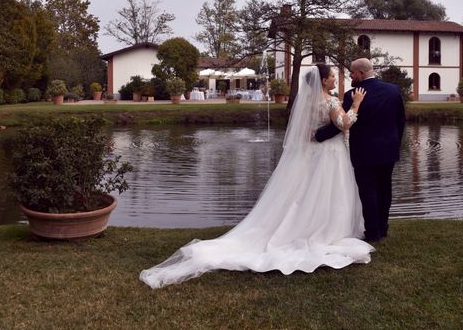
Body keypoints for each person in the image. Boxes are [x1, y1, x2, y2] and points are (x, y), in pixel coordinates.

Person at [140, 64, 373, 288]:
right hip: (328, 156)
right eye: (332, 76)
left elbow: (304, 133)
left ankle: (306, 225)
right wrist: (356, 104)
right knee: (327, 192)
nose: (334, 79)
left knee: (305, 192)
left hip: (312, 154)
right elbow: (345, 123)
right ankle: (326, 228)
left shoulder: (307, 103)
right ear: (324, 80)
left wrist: (315, 135)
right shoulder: (331, 100)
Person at [315, 58, 406, 242]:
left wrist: (317, 135)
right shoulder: (393, 90)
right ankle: (383, 228)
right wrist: (395, 143)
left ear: (361, 73)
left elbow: (340, 125)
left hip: (364, 151)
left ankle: (372, 233)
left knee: (368, 192)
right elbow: (400, 121)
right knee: (385, 189)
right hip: (388, 150)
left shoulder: (352, 95)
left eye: (353, 72)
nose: (350, 75)